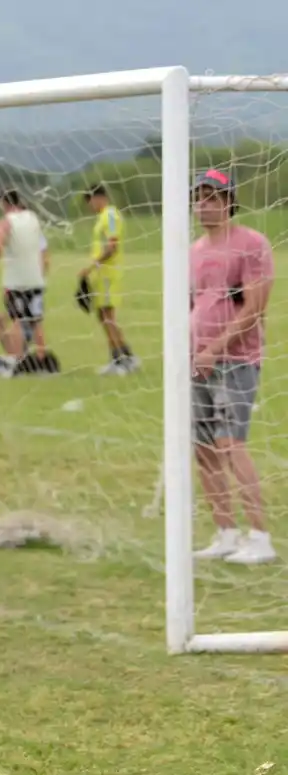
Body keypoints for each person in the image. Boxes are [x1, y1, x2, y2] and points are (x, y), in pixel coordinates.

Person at [188, 169, 276, 565]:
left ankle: (259, 536)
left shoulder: (252, 244)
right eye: (199, 197)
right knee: (203, 448)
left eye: (212, 197)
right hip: (197, 361)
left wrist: (215, 348)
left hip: (235, 360)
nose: (204, 204)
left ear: (228, 202)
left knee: (230, 443)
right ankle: (225, 532)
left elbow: (255, 308)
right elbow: (194, 303)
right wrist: (190, 350)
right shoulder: (192, 250)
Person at [0, 190, 48, 361]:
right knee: (36, 320)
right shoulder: (33, 218)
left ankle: (17, 359)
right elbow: (42, 248)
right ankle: (42, 360)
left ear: (4, 204)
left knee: (17, 320)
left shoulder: (5, 222)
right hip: (35, 278)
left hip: (16, 281)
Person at [79, 184, 137, 375]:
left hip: (107, 274)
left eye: (90, 202)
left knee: (108, 316)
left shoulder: (110, 215)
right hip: (101, 274)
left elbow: (112, 245)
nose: (90, 207)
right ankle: (125, 355)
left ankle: (119, 359)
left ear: (98, 198)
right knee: (102, 316)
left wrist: (91, 266)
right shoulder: (103, 217)